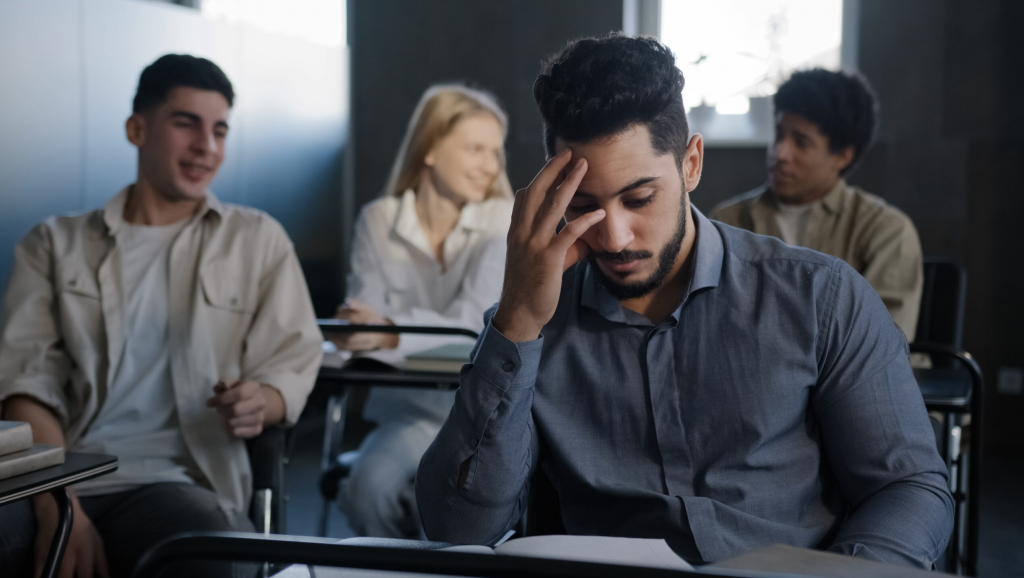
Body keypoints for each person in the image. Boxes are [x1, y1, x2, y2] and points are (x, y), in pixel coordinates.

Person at [416, 35, 953, 568]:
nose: (615, 236)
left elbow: (906, 488)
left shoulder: (822, 299)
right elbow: (458, 530)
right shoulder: (530, 326)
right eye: (584, 207)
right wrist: (516, 323)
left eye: (639, 198)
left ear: (691, 164)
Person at [0, 54, 323, 577]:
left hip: (180, 485)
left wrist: (259, 401)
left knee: (214, 554)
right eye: (185, 123)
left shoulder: (257, 239)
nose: (207, 146)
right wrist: (59, 506)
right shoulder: (51, 245)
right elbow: (26, 386)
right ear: (137, 129)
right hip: (62, 477)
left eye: (219, 130)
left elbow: (291, 362)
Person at [335, 85, 514, 538]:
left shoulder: (502, 217)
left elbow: (475, 322)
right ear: (430, 149)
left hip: (483, 419)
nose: (491, 166)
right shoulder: (378, 219)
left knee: (452, 512)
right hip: (410, 414)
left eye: (496, 152)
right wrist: (368, 329)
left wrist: (391, 332)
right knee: (365, 492)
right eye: (475, 149)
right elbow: (365, 322)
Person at [711, 69, 923, 340]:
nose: (780, 153)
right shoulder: (727, 221)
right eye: (778, 135)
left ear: (842, 156)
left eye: (801, 142)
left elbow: (884, 345)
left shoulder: (885, 231)